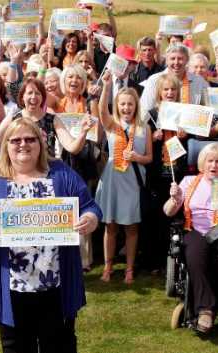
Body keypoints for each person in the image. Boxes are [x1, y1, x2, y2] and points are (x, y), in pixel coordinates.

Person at [0, 118, 101, 353]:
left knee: (59, 346)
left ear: (40, 143)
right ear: (6, 145)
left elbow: (91, 207)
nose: (23, 144)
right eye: (15, 140)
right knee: (16, 347)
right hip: (11, 287)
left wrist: (90, 219)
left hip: (56, 284)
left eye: (29, 139)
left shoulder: (60, 173)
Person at [163, 143, 218, 333]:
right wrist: (175, 199)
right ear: (202, 164)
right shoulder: (188, 182)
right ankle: (205, 311)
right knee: (195, 247)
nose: (214, 165)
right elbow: (168, 212)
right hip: (197, 231)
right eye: (210, 161)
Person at [96, 70, 152, 284]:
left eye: (130, 104)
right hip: (113, 180)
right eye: (122, 104)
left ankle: (129, 268)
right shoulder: (112, 126)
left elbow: (149, 158)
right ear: (117, 106)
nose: (126, 108)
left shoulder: (143, 128)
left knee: (131, 227)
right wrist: (107, 87)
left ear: (136, 106)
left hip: (133, 181)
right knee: (110, 226)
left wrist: (137, 157)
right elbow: (102, 112)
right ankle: (108, 266)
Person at [140, 74, 187, 273]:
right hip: (158, 173)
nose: (169, 93)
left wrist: (185, 135)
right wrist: (153, 136)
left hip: (178, 172)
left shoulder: (184, 113)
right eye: (166, 89)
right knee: (156, 216)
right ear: (159, 92)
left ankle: (176, 260)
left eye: (173, 89)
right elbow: (142, 142)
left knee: (175, 217)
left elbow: (192, 142)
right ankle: (155, 261)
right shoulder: (151, 114)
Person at [140, 43, 209, 114]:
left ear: (187, 60)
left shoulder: (200, 82)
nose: (176, 62)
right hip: (160, 123)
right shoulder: (154, 80)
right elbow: (144, 111)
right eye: (172, 59)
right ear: (166, 60)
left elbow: (209, 108)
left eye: (180, 59)